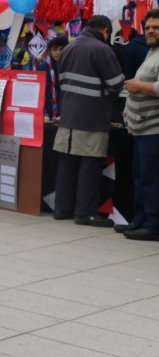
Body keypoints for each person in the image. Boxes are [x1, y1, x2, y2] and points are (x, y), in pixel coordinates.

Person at [53, 15, 125, 227]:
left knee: (67, 164)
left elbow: (61, 81)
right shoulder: (102, 49)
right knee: (90, 165)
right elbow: (115, 83)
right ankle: (85, 213)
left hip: (68, 115)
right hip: (92, 117)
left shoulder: (68, 48)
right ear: (105, 31)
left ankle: (62, 208)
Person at [119, 9, 159, 240]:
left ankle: (153, 225)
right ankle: (140, 219)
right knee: (140, 178)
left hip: (154, 129)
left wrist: (139, 86)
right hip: (141, 129)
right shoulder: (152, 51)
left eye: (156, 27)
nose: (150, 31)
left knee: (151, 179)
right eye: (148, 27)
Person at [42, 36, 67, 122]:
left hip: (66, 111)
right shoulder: (43, 69)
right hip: (47, 111)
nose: (58, 52)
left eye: (61, 49)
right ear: (49, 51)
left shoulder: (72, 67)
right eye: (54, 49)